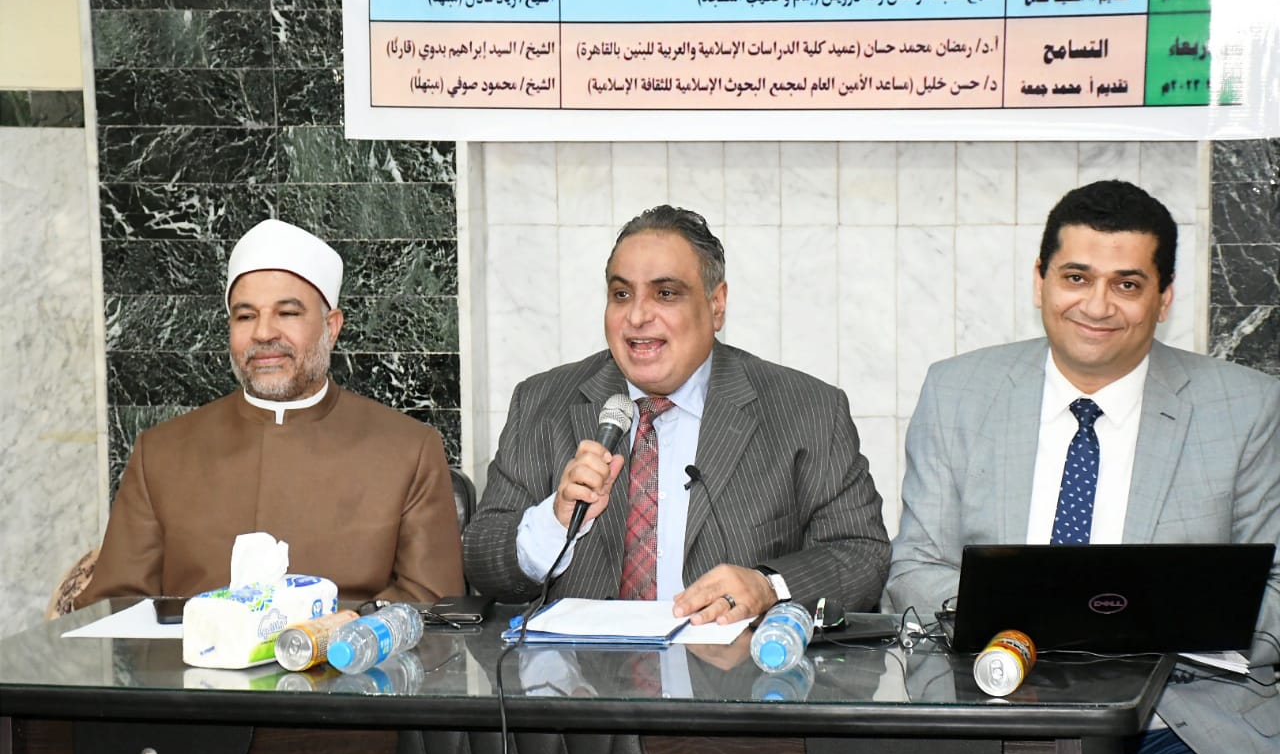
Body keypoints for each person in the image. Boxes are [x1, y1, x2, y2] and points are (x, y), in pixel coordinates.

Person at [884, 180, 1280, 754]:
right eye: (1076, 277)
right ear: (1039, 281)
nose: (1097, 305)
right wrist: (1035, 618)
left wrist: (1173, 622)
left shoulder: (1246, 407)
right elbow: (914, 569)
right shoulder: (957, 391)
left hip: (1183, 734)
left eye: (1127, 284)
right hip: (992, 718)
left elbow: (1277, 591)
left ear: (1163, 298)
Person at [464, 205, 889, 624]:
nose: (637, 316)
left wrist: (768, 587)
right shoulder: (542, 403)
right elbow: (482, 561)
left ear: (716, 305)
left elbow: (861, 555)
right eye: (621, 294)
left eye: (665, 293)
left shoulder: (808, 411)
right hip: (579, 665)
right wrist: (554, 523)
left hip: (739, 664)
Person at [77, 219, 464, 606]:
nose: (263, 333)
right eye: (246, 316)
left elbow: (432, 603)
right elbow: (113, 607)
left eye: (287, 313)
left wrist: (343, 629)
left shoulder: (408, 450)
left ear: (331, 328)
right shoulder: (161, 452)